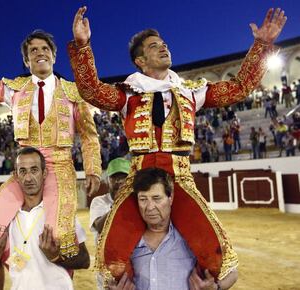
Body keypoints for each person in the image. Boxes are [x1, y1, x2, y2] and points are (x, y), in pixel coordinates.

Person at [69, 6, 286, 284]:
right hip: (140, 179)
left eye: (164, 44)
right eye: (154, 46)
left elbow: (239, 88)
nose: (163, 48)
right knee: (112, 256)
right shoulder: (127, 94)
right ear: (140, 60)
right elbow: (91, 90)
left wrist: (262, 45)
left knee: (215, 255)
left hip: (180, 178)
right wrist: (82, 46)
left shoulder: (191, 91)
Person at [0, 12, 102, 258]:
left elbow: (89, 136)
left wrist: (93, 169)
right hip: (24, 168)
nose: (40, 53)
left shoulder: (74, 92)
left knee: (59, 238)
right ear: (27, 61)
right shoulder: (13, 90)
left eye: (45, 48)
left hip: (59, 167)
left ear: (54, 55)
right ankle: (18, 266)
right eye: (33, 51)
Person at [109, 168, 238, 290]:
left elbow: (232, 272)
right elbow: (109, 279)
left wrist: (216, 288)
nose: (149, 207)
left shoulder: (190, 236)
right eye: (143, 199)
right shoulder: (127, 242)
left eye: (156, 198)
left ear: (170, 199)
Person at [0, 146, 90, 290]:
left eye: (34, 170)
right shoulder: (8, 218)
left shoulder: (60, 212)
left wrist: (55, 257)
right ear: (16, 176)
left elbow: (84, 260)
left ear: (44, 173)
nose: (28, 178)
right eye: (23, 171)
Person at [90, 157, 130, 290]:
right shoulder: (99, 202)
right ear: (107, 180)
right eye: (114, 177)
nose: (118, 181)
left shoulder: (136, 201)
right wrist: (118, 203)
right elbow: (100, 226)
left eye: (122, 177)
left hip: (132, 267)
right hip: (107, 268)